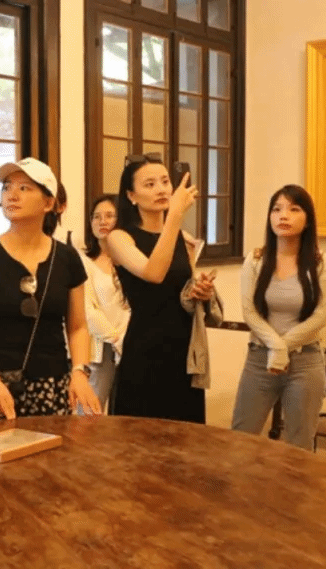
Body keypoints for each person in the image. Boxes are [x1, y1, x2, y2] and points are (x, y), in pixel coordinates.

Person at [0, 157, 101, 422]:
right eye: (7, 187)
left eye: (24, 188)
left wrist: (79, 372)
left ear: (48, 203)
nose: (12, 195)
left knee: (50, 450)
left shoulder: (67, 258)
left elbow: (78, 327)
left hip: (52, 384)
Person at [107, 153, 213, 424]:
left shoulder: (183, 238)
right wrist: (175, 215)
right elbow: (153, 273)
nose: (161, 189)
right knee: (141, 433)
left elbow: (182, 289)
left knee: (185, 434)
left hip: (183, 348)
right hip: (145, 347)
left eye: (165, 181)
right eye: (150, 184)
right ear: (131, 195)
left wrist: (201, 292)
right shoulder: (119, 237)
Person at [230, 185, 326, 451]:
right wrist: (275, 346)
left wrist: (283, 346)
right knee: (240, 439)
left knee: (300, 445)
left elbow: (322, 314)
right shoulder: (256, 260)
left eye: (293, 209)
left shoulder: (321, 262)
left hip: (305, 362)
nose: (283, 215)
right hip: (259, 359)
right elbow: (249, 311)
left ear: (307, 219)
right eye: (276, 209)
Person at [80, 195, 130, 413]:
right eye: (96, 217)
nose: (102, 221)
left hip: (130, 345)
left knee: (124, 415)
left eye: (109, 216)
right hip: (101, 348)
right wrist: (115, 338)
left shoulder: (131, 260)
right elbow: (87, 311)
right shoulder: (83, 261)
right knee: (89, 413)